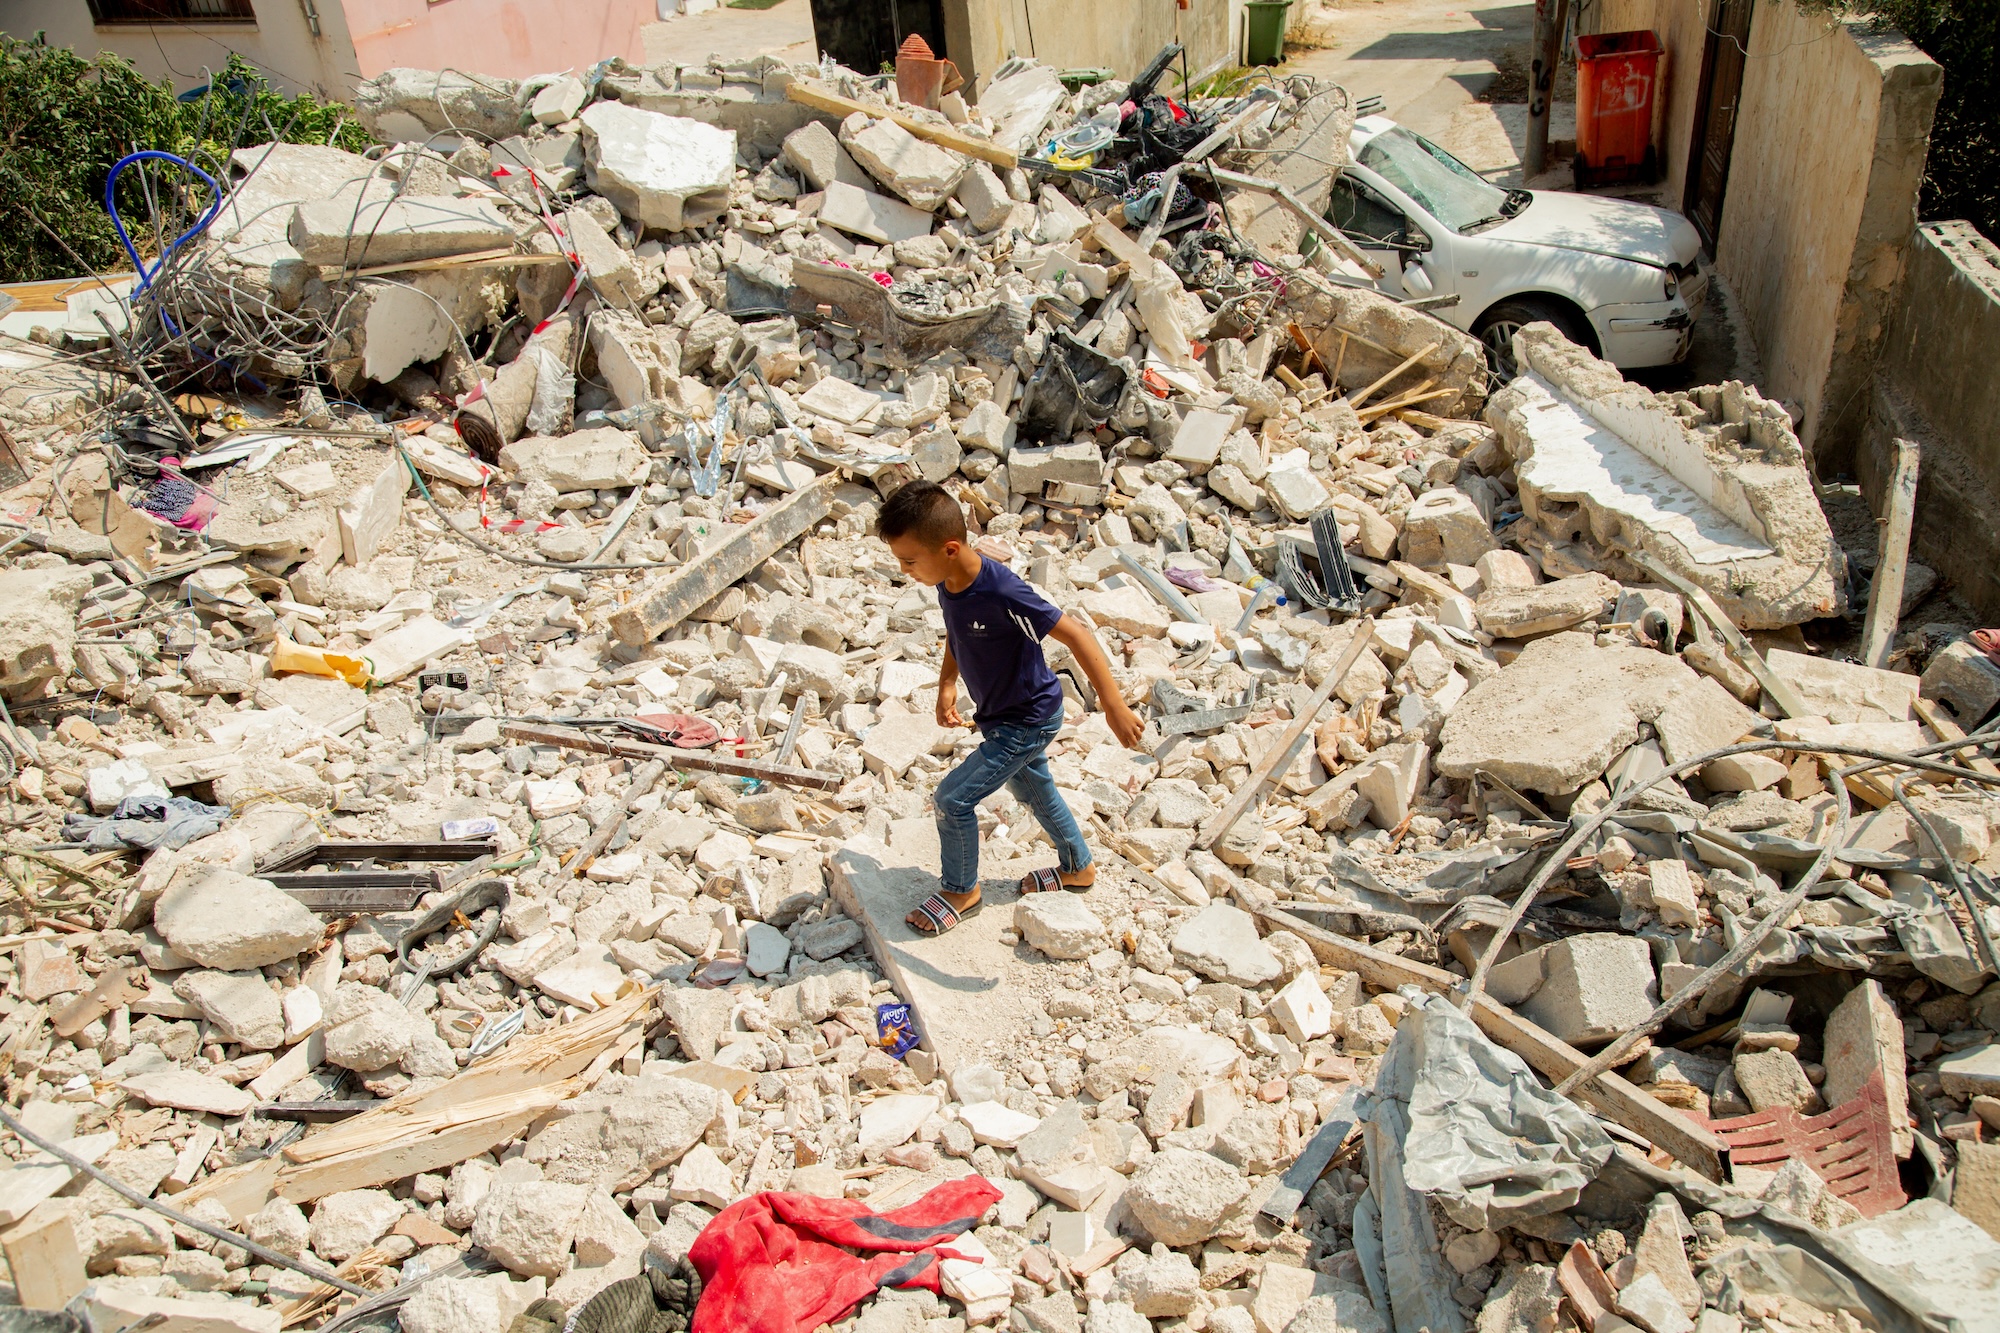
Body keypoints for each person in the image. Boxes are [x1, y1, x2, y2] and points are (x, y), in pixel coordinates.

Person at [875, 481, 1144, 936]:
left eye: (909, 560)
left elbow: (1076, 633)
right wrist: (946, 682)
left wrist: (1113, 706)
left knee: (952, 799)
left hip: (1026, 719)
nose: (904, 570)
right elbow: (956, 632)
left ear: (950, 548)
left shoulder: (1002, 591)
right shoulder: (946, 579)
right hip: (1003, 716)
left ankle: (962, 891)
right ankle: (1078, 867)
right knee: (1035, 791)